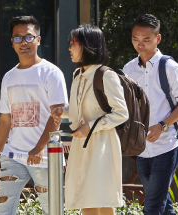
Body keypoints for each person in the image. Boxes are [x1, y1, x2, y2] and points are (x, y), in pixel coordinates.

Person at [0, 15, 68, 215]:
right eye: (18, 38)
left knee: (53, 210)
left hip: (45, 157)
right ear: (12, 42)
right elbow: (5, 120)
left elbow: (57, 116)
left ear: (38, 40)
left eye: (28, 37)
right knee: (4, 208)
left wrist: (39, 148)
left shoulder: (51, 73)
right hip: (13, 155)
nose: (23, 42)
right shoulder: (9, 77)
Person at [51, 24, 128, 215]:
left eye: (73, 42)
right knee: (96, 198)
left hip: (102, 144)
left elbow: (121, 113)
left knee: (92, 197)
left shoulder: (106, 75)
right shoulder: (78, 75)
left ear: (87, 45)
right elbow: (80, 111)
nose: (69, 47)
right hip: (82, 143)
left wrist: (91, 127)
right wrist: (63, 111)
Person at [121, 14, 178, 215]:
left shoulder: (169, 67)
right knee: (163, 205)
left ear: (157, 38)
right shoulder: (128, 69)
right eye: (135, 38)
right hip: (142, 148)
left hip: (167, 145)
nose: (140, 44)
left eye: (146, 39)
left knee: (152, 206)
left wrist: (162, 125)